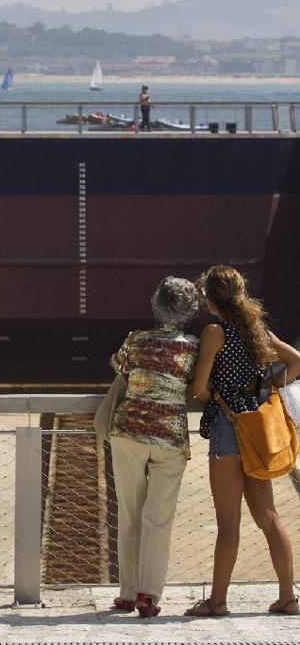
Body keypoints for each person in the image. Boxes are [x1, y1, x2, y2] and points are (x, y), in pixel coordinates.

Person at [186, 265, 300, 617]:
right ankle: (288, 598)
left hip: (226, 427)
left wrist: (211, 397)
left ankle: (217, 601)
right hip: (258, 426)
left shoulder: (213, 333)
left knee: (228, 521)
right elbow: (295, 361)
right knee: (269, 516)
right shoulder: (257, 329)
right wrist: (271, 390)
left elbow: (200, 388)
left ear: (209, 299)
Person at [107, 276, 200, 618]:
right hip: (170, 438)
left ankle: (127, 593)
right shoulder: (192, 346)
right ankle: (149, 594)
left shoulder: (136, 339)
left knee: (129, 513)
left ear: (155, 304)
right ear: (190, 312)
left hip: (129, 431)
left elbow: (119, 365)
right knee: (158, 520)